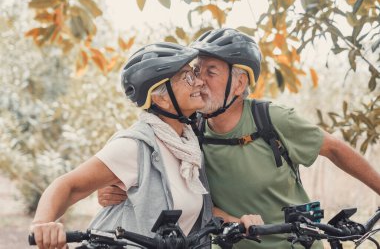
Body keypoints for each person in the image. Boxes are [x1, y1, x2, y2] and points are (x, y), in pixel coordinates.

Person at [99, 28, 380, 248]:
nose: (200, 80)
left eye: (211, 72)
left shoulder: (271, 119)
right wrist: (122, 189)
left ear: (240, 82)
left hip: (295, 243)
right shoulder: (187, 133)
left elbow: (335, 149)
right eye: (197, 71)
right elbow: (165, 181)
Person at [29, 42, 214, 249]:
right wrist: (42, 224)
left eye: (194, 73)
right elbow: (68, 185)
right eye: (187, 77)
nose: (199, 82)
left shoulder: (188, 148)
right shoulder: (135, 146)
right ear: (161, 98)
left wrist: (242, 220)